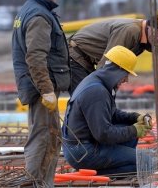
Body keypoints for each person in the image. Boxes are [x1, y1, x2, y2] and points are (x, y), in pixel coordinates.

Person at [11, 0, 69, 188]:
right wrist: (46, 90)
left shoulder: (31, 9)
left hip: (38, 85)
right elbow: (35, 57)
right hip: (41, 88)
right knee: (44, 137)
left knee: (49, 136)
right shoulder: (39, 16)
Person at [62, 45, 152, 175]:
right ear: (118, 70)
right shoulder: (97, 92)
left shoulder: (98, 82)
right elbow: (103, 134)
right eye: (126, 74)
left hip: (83, 146)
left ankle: (111, 164)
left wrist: (134, 117)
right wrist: (134, 130)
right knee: (146, 162)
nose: (126, 79)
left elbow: (111, 114)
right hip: (83, 152)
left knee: (131, 134)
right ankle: (97, 172)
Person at [68, 9, 158, 94]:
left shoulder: (142, 40)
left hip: (86, 59)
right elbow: (107, 64)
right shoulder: (131, 31)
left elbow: (117, 68)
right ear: (150, 25)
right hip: (76, 56)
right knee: (87, 98)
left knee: (93, 97)